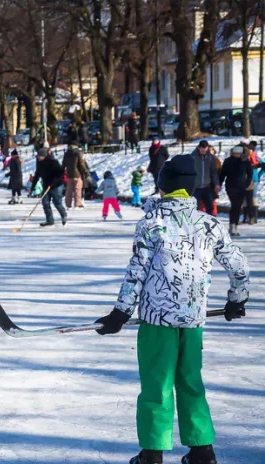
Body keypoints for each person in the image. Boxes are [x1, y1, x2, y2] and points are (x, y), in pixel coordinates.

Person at [94, 154, 249, 464]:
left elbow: (136, 272)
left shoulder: (152, 223)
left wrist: (120, 312)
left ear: (162, 184)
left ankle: (152, 454)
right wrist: (237, 298)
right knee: (191, 381)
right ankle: (202, 451)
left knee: (157, 384)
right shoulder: (209, 224)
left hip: (157, 322)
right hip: (193, 320)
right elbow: (239, 266)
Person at [219, 145, 253, 236]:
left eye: (238, 154)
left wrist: (247, 183)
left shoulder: (245, 161)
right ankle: (232, 225)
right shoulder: (228, 161)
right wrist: (219, 183)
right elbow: (222, 174)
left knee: (237, 207)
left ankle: (235, 225)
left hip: (241, 187)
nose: (236, 155)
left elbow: (250, 173)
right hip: (231, 186)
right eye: (235, 154)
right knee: (235, 204)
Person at [31, 148, 67, 227]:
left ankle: (63, 215)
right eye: (38, 156)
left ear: (44, 156)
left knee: (57, 203)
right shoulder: (40, 164)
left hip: (56, 185)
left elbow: (60, 173)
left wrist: (53, 182)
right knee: (45, 203)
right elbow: (37, 175)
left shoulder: (53, 162)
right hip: (46, 185)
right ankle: (50, 220)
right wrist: (33, 187)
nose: (38, 158)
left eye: (40, 156)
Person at [190, 140, 220, 217]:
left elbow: (214, 172)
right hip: (196, 187)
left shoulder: (210, 158)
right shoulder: (193, 157)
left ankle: (210, 223)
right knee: (195, 207)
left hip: (207, 187)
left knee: (210, 207)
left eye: (205, 149)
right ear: (199, 147)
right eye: (202, 149)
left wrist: (216, 184)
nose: (204, 151)